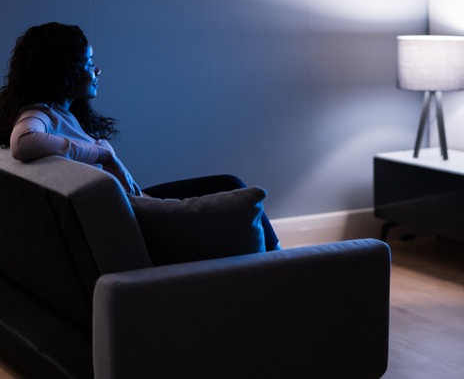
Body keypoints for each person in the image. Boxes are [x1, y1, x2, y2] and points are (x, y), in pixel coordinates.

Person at [0, 22, 280, 249]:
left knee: (228, 183)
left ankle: (277, 258)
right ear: (65, 71)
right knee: (232, 185)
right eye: (88, 62)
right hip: (139, 213)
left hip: (135, 201)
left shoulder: (62, 113)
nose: (97, 71)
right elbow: (23, 142)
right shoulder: (39, 114)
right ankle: (278, 260)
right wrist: (101, 153)